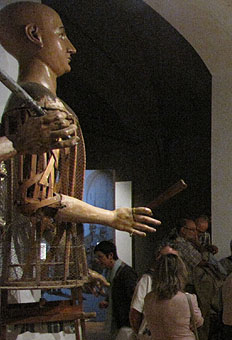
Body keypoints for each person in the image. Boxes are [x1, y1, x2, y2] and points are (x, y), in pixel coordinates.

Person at [0, 2, 159, 289]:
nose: (71, 47)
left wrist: (79, 269)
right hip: (28, 272)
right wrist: (110, 216)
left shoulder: (36, 103)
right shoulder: (42, 106)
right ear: (35, 35)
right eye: (61, 35)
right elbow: (38, 201)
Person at [94, 240, 140, 340]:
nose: (99, 261)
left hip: (127, 320)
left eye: (101, 257)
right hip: (122, 319)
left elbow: (133, 296)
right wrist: (108, 301)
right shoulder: (115, 272)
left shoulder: (125, 273)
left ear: (110, 255)